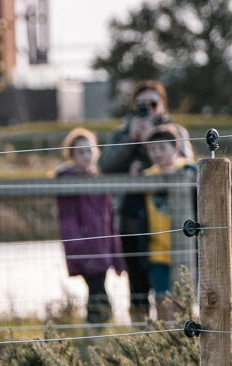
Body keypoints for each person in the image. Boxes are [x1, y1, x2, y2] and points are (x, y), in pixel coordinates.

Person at [98, 80, 170, 322]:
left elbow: (182, 163)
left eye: (153, 103)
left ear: (162, 105)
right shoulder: (120, 133)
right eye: (142, 104)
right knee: (136, 287)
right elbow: (106, 166)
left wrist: (151, 142)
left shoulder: (174, 132)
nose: (147, 108)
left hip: (165, 220)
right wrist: (131, 138)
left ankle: (171, 341)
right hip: (130, 218)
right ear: (133, 105)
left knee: (168, 288)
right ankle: (140, 342)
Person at [54, 128, 124, 324]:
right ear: (72, 156)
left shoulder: (99, 182)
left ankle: (95, 337)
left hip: (102, 248)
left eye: (89, 150)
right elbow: (67, 219)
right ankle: (95, 336)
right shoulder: (67, 181)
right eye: (80, 152)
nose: (86, 155)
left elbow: (109, 220)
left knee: (98, 292)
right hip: (86, 247)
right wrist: (79, 249)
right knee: (98, 295)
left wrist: (117, 257)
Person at [141, 124, 196, 320]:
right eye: (152, 149)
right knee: (161, 298)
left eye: (162, 148)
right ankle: (166, 338)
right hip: (157, 249)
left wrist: (174, 171)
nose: (157, 154)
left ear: (176, 147)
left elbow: (195, 170)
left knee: (184, 298)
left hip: (184, 247)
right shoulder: (146, 176)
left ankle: (183, 338)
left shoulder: (186, 169)